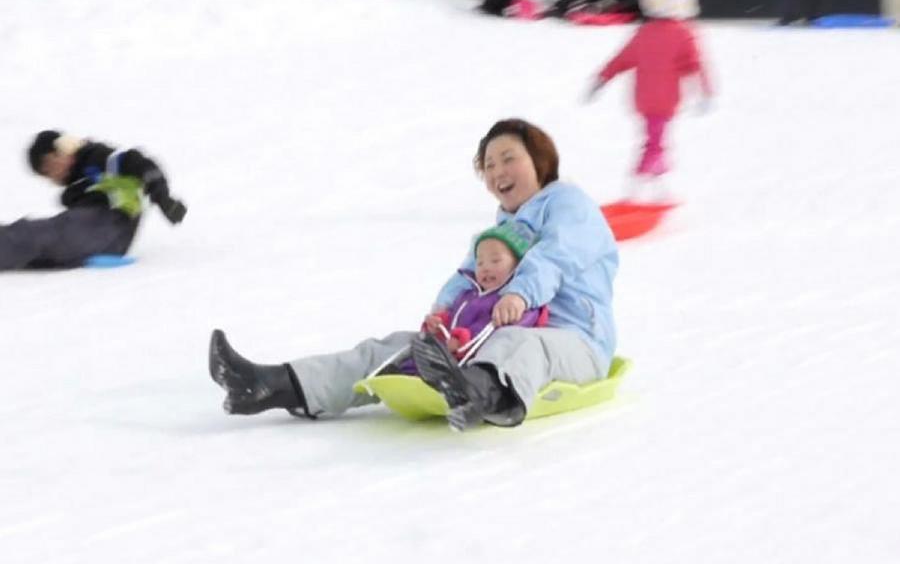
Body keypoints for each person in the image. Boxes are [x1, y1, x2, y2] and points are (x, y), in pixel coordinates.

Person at [208, 118, 619, 431]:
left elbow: (556, 256)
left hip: (574, 343)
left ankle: (477, 393)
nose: (498, 171)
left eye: (509, 158)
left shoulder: (569, 203)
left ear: (540, 161)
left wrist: (521, 295)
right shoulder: (502, 229)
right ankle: (270, 384)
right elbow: (469, 276)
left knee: (520, 343)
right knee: (395, 347)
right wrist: (442, 313)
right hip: (492, 340)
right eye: (489, 165)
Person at [586, 0, 711, 201]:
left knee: (655, 139)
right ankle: (637, 187)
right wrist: (705, 92)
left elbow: (622, 59)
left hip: (643, 99)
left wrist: (601, 78)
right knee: (655, 144)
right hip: (664, 101)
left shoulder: (645, 32)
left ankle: (656, 187)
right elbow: (695, 64)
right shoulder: (683, 33)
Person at [0, 130, 186, 271]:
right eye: (46, 175)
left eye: (50, 165)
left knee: (37, 234)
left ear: (62, 150)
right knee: (41, 246)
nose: (53, 177)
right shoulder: (80, 181)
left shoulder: (98, 158)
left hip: (108, 223)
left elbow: (140, 164)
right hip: (104, 235)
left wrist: (163, 199)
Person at [385, 220, 549, 376]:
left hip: (480, 366)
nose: (485, 268)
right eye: (480, 263)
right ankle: (402, 377)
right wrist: (438, 324)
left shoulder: (516, 303)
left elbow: (502, 334)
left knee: (476, 364)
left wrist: (462, 340)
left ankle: (441, 383)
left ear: (518, 266)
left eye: (495, 261)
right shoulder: (467, 296)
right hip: (453, 355)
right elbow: (452, 320)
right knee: (419, 353)